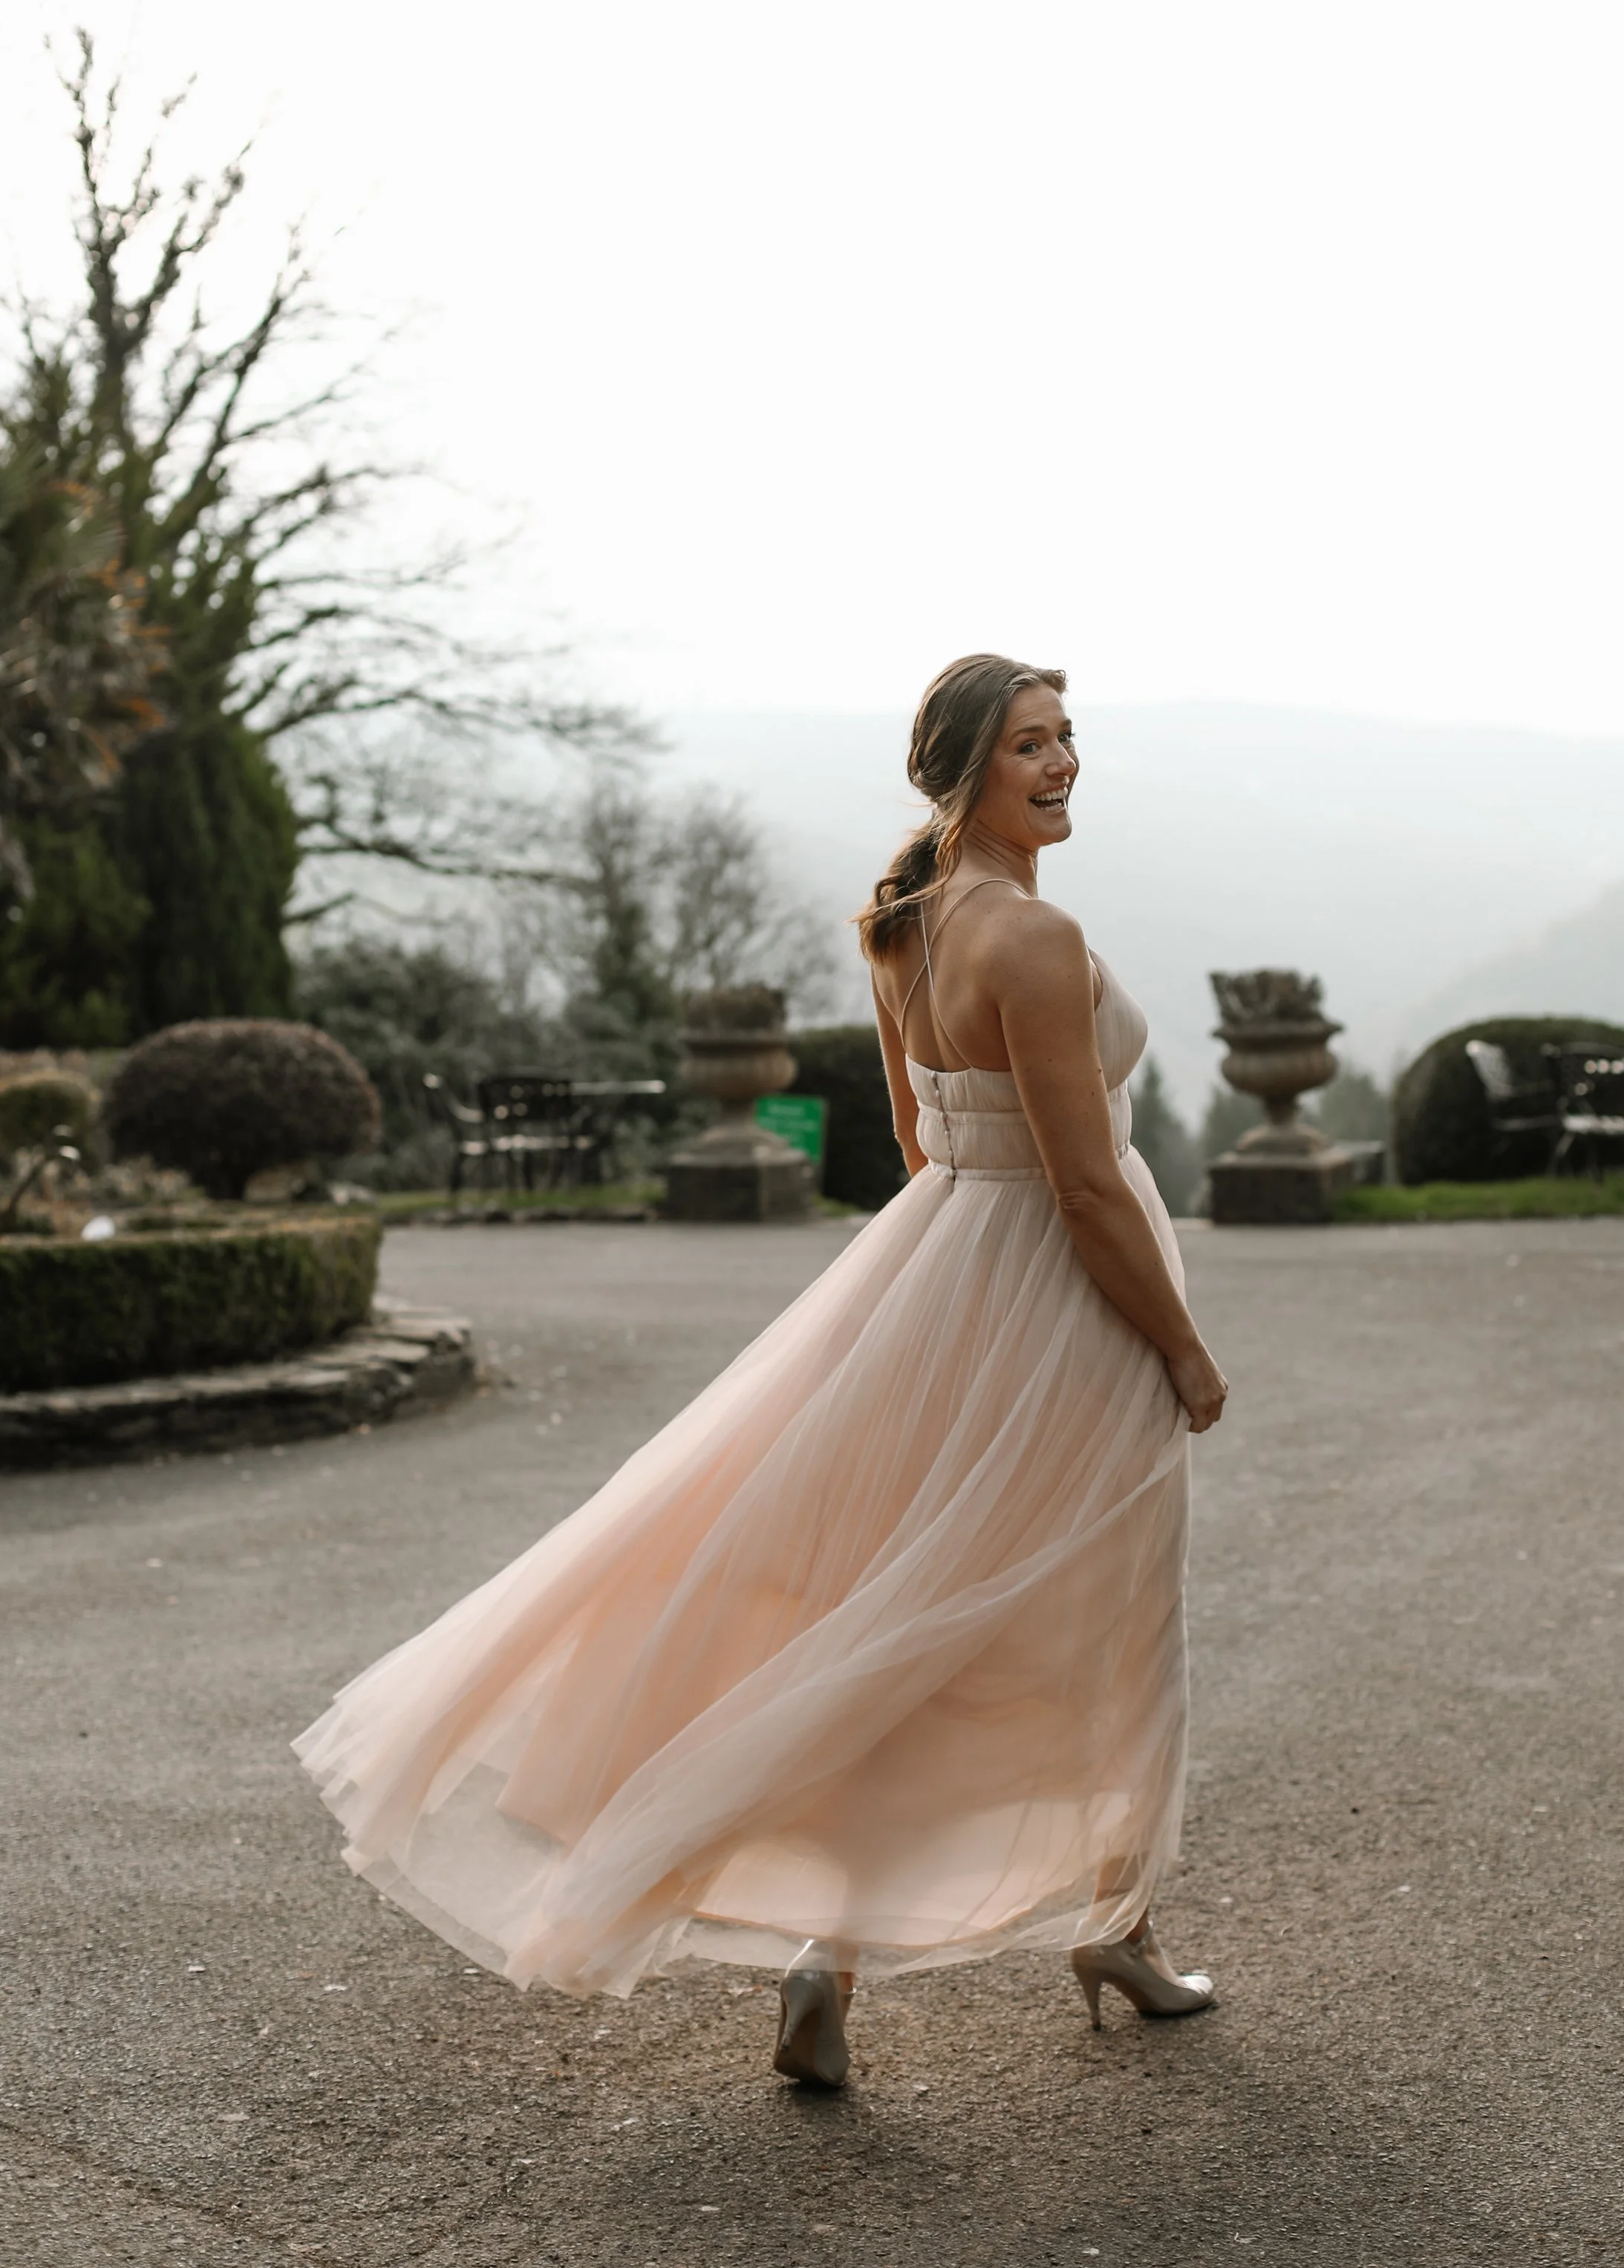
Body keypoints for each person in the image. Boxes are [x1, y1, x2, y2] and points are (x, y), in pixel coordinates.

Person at [295, 652, 1229, 2090]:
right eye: (1031, 746)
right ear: (965, 767)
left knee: (897, 1603)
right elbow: (1088, 1188)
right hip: (1058, 1303)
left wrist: (956, 1269)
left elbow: (923, 1147)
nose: (1061, 766)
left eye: (1068, 739)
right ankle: (1102, 1922)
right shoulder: (1031, 945)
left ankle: (847, 1958)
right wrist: (1177, 1344)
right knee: (1097, 1605)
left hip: (936, 1282)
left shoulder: (904, 924)